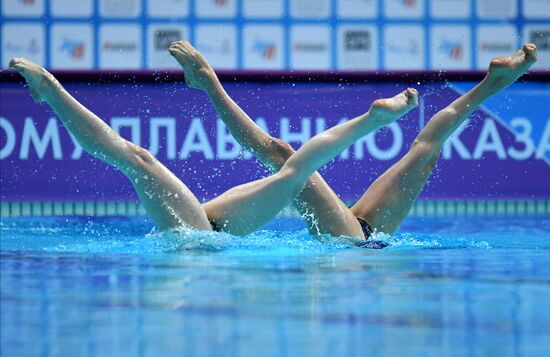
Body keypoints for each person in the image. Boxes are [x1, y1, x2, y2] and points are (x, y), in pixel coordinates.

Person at [8, 56, 418, 239]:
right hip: (207, 230)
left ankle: (52, 91)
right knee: (293, 169)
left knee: (293, 167)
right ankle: (52, 90)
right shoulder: (364, 239)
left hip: (206, 230)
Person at [168, 41, 538, 240]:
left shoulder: (194, 230)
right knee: (426, 153)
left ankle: (491, 84)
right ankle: (492, 83)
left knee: (284, 157)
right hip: (363, 240)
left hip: (357, 241)